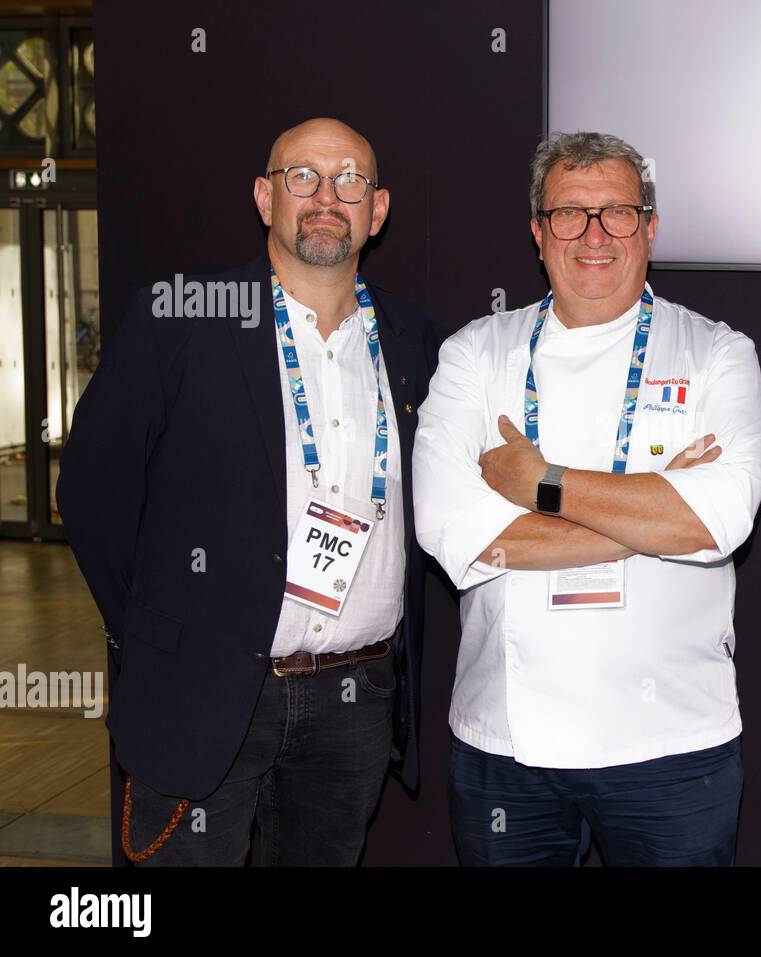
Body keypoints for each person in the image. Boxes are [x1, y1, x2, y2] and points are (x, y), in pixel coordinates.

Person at [57, 118, 442, 865]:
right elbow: (92, 489)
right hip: (202, 695)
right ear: (265, 197)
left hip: (354, 702)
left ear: (379, 208)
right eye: (303, 177)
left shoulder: (413, 340)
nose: (327, 196)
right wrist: (156, 633)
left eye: (350, 181)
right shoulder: (179, 315)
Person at [412, 131, 761, 866]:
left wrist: (540, 486)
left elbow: (722, 517)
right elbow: (455, 528)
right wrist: (655, 509)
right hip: (506, 747)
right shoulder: (475, 354)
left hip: (675, 744)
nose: (595, 235)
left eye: (617, 212)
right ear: (539, 232)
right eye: (570, 214)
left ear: (651, 226)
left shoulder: (718, 353)